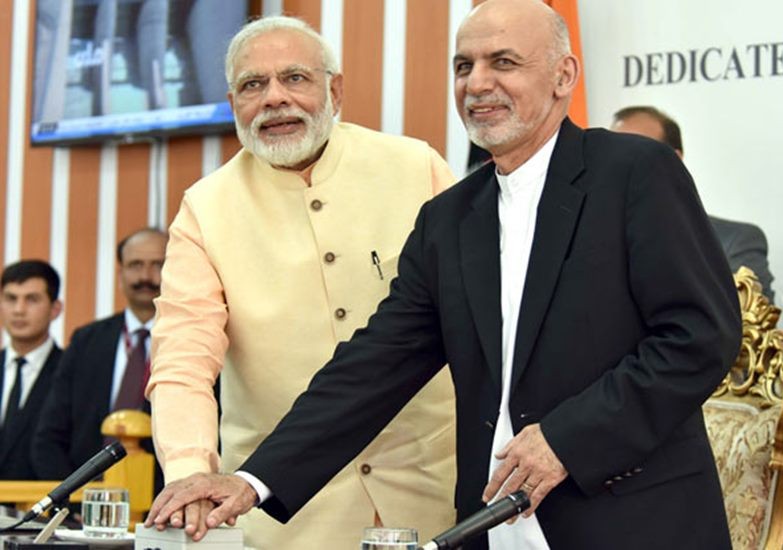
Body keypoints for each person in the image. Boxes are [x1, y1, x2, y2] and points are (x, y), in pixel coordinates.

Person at [147, 2, 741, 549]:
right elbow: (377, 363)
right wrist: (251, 481)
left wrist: (568, 439)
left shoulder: (634, 171)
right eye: (464, 66)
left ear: (563, 76)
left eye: (503, 62)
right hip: (488, 527)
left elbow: (700, 337)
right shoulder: (452, 216)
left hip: (629, 521)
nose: (477, 83)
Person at [144, 15, 456, 550]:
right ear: (233, 103)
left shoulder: (415, 166)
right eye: (253, 85)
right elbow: (183, 359)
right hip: (284, 514)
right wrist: (190, 468)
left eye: (294, 78)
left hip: (435, 493)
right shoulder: (205, 208)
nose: (274, 99)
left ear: (335, 91)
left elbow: (478, 313)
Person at [32, 228, 167, 481]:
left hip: (166, 498)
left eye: (158, 265)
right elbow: (50, 436)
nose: (145, 276)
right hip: (84, 496)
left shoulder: (195, 340)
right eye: (135, 265)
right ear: (120, 275)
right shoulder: (86, 340)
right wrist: (74, 494)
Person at [611, 105, 775, 299]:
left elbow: (747, 315)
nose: (620, 167)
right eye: (612, 156)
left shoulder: (734, 243)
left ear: (673, 160)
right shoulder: (594, 240)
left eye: (635, 155)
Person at [0, 260, 62, 480]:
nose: (19, 310)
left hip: (45, 496)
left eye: (32, 299)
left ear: (55, 309)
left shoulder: (71, 371)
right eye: (11, 299)